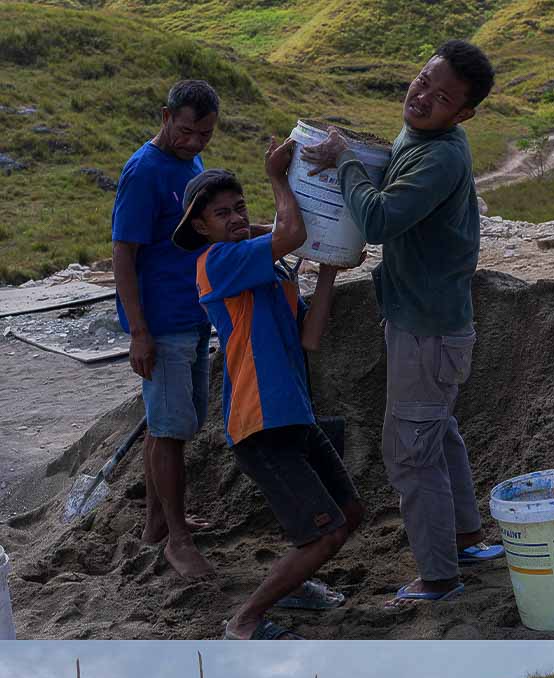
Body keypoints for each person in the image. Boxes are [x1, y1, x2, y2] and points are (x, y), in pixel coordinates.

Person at [300, 41, 505, 605]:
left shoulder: (441, 156)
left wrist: (343, 163)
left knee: (409, 452)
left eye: (442, 99)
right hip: (420, 316)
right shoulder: (421, 137)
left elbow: (380, 219)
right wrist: (350, 158)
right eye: (422, 82)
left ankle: (439, 577)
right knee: (437, 433)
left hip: (428, 329)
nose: (423, 98)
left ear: (464, 115)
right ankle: (465, 539)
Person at [172, 151, 364, 639]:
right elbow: (292, 234)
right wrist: (277, 175)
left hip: (293, 413)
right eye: (223, 213)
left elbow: (310, 337)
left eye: (239, 207)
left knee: (349, 513)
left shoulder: (270, 271)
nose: (236, 218)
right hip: (260, 423)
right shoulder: (216, 262)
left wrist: (328, 270)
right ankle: (245, 620)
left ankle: (296, 585)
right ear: (201, 226)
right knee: (324, 533)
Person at [112, 79, 221, 580]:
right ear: (165, 116)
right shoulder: (143, 171)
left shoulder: (190, 164)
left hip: (194, 314)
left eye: (204, 135)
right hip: (162, 322)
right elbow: (124, 253)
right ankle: (177, 538)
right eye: (185, 131)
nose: (194, 143)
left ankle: (157, 524)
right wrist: (139, 331)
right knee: (171, 431)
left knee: (176, 424)